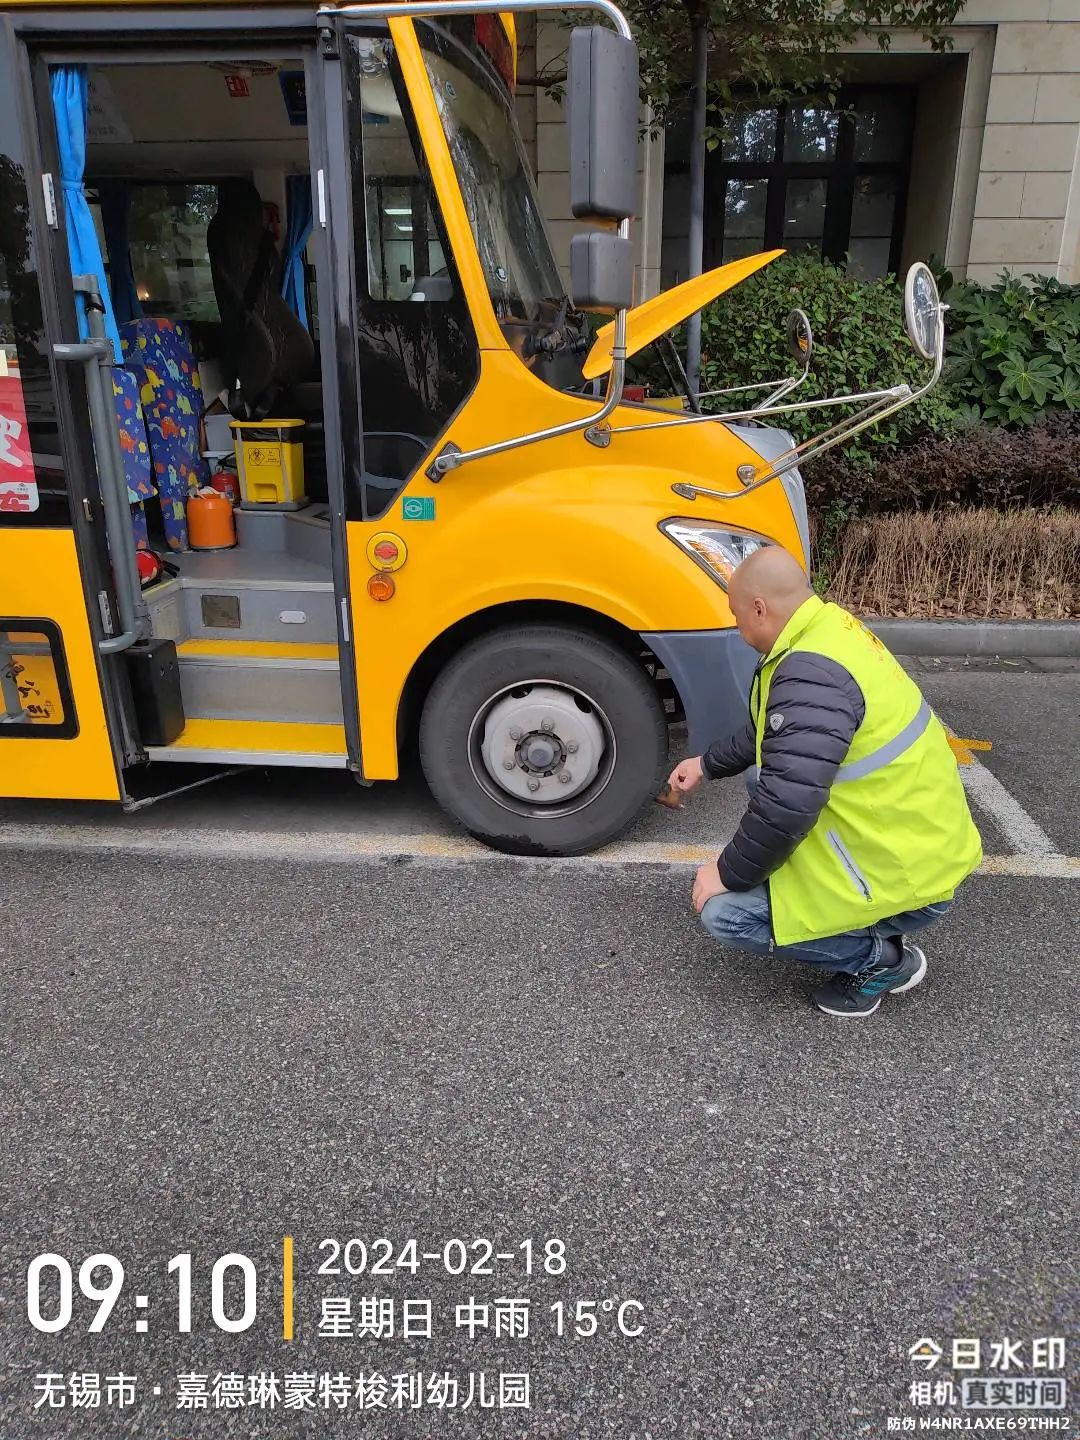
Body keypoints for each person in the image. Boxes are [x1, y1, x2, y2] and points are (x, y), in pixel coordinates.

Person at [669, 547, 982, 1017]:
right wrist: (707, 763)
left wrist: (726, 873)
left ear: (759, 608)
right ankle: (865, 920)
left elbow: (788, 803)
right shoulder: (827, 631)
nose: (737, 629)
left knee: (726, 914)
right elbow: (779, 732)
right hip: (916, 840)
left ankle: (883, 961)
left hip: (908, 873)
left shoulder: (809, 672)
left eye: (737, 617)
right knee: (763, 776)